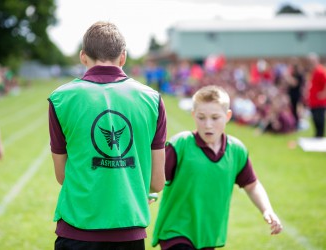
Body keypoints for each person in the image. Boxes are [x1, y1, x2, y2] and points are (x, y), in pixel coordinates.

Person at [48, 21, 167, 250]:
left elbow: (62, 175)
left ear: (83, 57)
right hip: (128, 231)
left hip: (76, 230)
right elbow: (157, 182)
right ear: (123, 57)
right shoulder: (152, 99)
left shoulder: (61, 98)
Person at [152, 85, 282, 250]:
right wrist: (148, 194)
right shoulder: (181, 144)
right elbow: (155, 178)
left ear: (227, 116)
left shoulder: (236, 150)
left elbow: (252, 185)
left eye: (215, 118)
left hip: (209, 234)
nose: (207, 125)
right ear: (193, 115)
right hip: (176, 231)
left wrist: (267, 210)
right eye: (201, 117)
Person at [306, 53, 326, 138]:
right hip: (313, 101)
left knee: (319, 119)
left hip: (319, 101)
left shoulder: (321, 71)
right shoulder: (313, 71)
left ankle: (320, 135)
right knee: (314, 119)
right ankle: (317, 134)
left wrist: (324, 93)